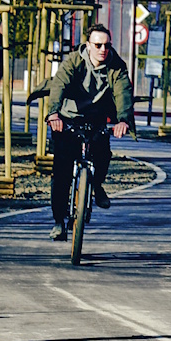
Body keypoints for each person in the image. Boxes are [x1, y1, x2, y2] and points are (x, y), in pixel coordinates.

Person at [45, 23, 133, 238]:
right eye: (98, 45)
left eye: (107, 45)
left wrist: (123, 120)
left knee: (103, 156)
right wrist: (54, 114)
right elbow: (59, 85)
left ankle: (96, 185)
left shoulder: (116, 65)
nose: (103, 49)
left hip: (96, 119)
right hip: (67, 118)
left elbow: (123, 93)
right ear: (88, 45)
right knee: (62, 173)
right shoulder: (74, 61)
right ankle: (58, 222)